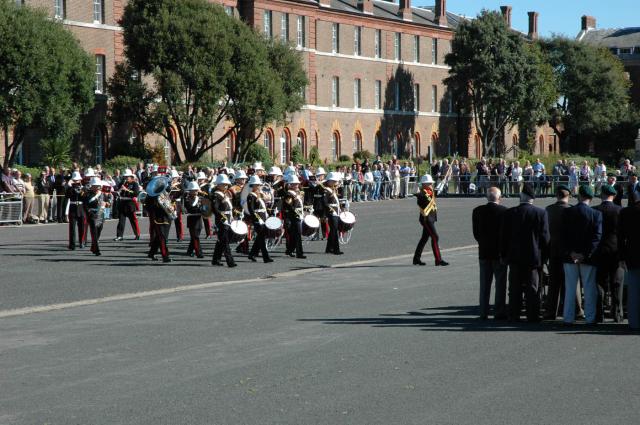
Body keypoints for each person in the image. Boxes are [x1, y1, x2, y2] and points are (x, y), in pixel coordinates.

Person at [500, 184, 549, 322]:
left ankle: (513, 314)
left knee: (514, 287)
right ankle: (532, 314)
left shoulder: (509, 213)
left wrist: (504, 255)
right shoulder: (540, 213)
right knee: (532, 287)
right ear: (532, 199)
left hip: (514, 256)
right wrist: (544, 256)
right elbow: (545, 237)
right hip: (533, 257)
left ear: (521, 197)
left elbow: (504, 237)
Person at [561, 185, 602, 325]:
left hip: (570, 256)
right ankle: (590, 317)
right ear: (590, 198)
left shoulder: (567, 212)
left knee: (570, 288)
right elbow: (597, 237)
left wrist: (571, 253)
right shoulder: (595, 214)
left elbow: (563, 236)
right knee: (589, 288)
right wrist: (585, 254)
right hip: (588, 257)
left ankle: (568, 317)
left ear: (579, 196)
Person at [472, 187, 508, 320]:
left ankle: (483, 311)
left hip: (484, 251)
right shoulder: (505, 211)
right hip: (499, 252)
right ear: (500, 198)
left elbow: (476, 233)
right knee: (500, 284)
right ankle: (499, 311)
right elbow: (506, 234)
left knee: (484, 284)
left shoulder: (477, 211)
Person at [592, 184, 623, 323]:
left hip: (599, 250)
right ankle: (617, 313)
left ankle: (599, 313)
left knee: (600, 282)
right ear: (614, 195)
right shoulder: (619, 211)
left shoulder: (594, 210)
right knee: (616, 283)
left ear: (601, 194)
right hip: (615, 251)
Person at [543, 185, 572, 320]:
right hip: (568, 251)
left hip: (553, 250)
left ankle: (551, 311)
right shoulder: (572, 210)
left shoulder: (548, 210)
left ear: (557, 195)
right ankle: (571, 308)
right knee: (571, 283)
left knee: (554, 282)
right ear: (568, 196)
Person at [413, 174, 449, 267]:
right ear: (424, 184)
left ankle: (416, 259)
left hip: (431, 218)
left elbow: (438, 191)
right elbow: (416, 194)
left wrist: (443, 181)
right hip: (426, 219)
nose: (431, 184)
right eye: (429, 183)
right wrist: (416, 186)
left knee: (424, 238)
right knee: (435, 237)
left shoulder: (430, 191)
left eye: (431, 183)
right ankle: (438, 259)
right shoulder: (422, 193)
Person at [618, 191, 640, 330]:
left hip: (632, 255)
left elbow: (620, 237)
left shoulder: (626, 212)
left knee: (634, 292)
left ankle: (634, 322)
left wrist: (621, 257)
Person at [210, 174, 237, 267]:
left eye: (226, 184)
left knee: (221, 241)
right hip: (222, 220)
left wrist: (235, 212)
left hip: (228, 219)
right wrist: (222, 217)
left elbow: (229, 207)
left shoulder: (226, 194)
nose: (225, 186)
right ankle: (230, 262)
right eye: (223, 184)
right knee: (225, 241)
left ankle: (215, 259)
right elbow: (215, 208)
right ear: (218, 185)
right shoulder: (216, 195)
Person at [246, 176, 273, 263]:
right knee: (262, 239)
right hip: (258, 220)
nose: (258, 186)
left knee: (260, 238)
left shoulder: (259, 195)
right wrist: (258, 219)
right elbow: (251, 210)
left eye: (259, 185)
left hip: (263, 218)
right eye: (257, 185)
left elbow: (264, 207)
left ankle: (252, 254)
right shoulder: (251, 196)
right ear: (253, 186)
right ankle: (266, 257)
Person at [283, 174, 307, 259]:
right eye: (294, 184)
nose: (296, 185)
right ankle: (299, 253)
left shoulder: (297, 193)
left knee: (295, 235)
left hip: (298, 215)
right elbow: (290, 206)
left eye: (297, 183)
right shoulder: (289, 194)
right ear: (290, 185)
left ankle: (289, 250)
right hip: (293, 216)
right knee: (298, 234)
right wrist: (297, 212)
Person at [114, 169, 141, 241]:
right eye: (125, 177)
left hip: (130, 203)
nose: (125, 178)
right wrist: (119, 188)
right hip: (122, 202)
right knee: (121, 220)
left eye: (127, 177)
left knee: (133, 220)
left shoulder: (134, 184)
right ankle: (119, 236)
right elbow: (117, 189)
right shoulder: (122, 183)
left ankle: (137, 234)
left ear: (131, 177)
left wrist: (126, 190)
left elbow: (136, 193)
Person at [83, 177, 106, 256]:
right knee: (94, 233)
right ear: (92, 186)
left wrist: (106, 204)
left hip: (100, 214)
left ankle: (93, 246)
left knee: (99, 231)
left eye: (98, 185)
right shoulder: (88, 194)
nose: (97, 187)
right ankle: (97, 250)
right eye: (95, 185)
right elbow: (86, 205)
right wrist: (89, 213)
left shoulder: (101, 193)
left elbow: (106, 202)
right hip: (92, 214)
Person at [322, 172, 343, 255]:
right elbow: (325, 202)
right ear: (329, 181)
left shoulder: (333, 189)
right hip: (332, 212)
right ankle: (336, 249)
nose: (335, 183)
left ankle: (329, 248)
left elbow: (336, 201)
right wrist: (330, 211)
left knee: (333, 231)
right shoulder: (326, 190)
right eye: (333, 181)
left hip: (336, 211)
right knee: (334, 231)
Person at [65, 172, 87, 250]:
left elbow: (84, 198)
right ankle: (72, 244)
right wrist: (70, 186)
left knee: (82, 227)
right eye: (74, 180)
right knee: (72, 228)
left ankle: (82, 242)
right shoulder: (70, 188)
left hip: (81, 208)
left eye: (77, 180)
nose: (76, 181)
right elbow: (67, 196)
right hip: (73, 208)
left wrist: (81, 190)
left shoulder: (83, 188)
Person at [183, 181, 204, 258]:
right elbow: (190, 208)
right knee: (196, 237)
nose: (196, 191)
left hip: (199, 219)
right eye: (194, 190)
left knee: (194, 237)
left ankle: (189, 251)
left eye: (196, 190)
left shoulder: (201, 198)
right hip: (192, 219)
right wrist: (200, 209)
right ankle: (199, 252)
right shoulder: (187, 199)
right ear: (190, 191)